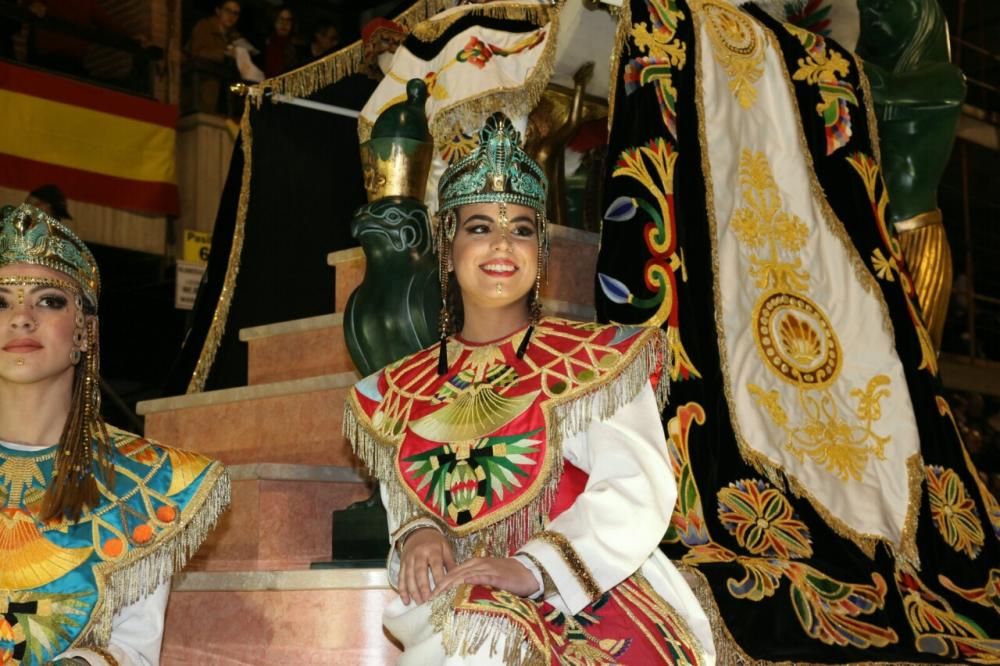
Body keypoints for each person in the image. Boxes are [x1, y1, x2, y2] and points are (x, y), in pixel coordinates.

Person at [344, 113, 714, 664]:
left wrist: (532, 568)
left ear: (539, 252)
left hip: (584, 589)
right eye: (479, 228)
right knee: (468, 624)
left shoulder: (594, 362)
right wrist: (418, 534)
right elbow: (410, 495)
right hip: (456, 601)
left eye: (520, 229)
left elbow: (635, 490)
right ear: (447, 249)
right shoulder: (399, 387)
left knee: (483, 630)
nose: (502, 245)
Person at [0, 203, 230, 665]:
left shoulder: (147, 482)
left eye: (48, 300)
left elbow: (133, 648)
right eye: (0, 301)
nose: (21, 317)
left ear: (84, 331)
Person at [186, 0, 243, 112]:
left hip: (226, 95)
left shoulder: (236, 37)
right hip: (202, 90)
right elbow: (196, 52)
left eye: (235, 13)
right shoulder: (204, 26)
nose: (231, 16)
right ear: (218, 11)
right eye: (228, 10)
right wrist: (224, 53)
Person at [262, 5, 297, 78]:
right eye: (281, 19)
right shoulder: (264, 44)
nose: (284, 23)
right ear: (274, 21)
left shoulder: (296, 48)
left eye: (288, 20)